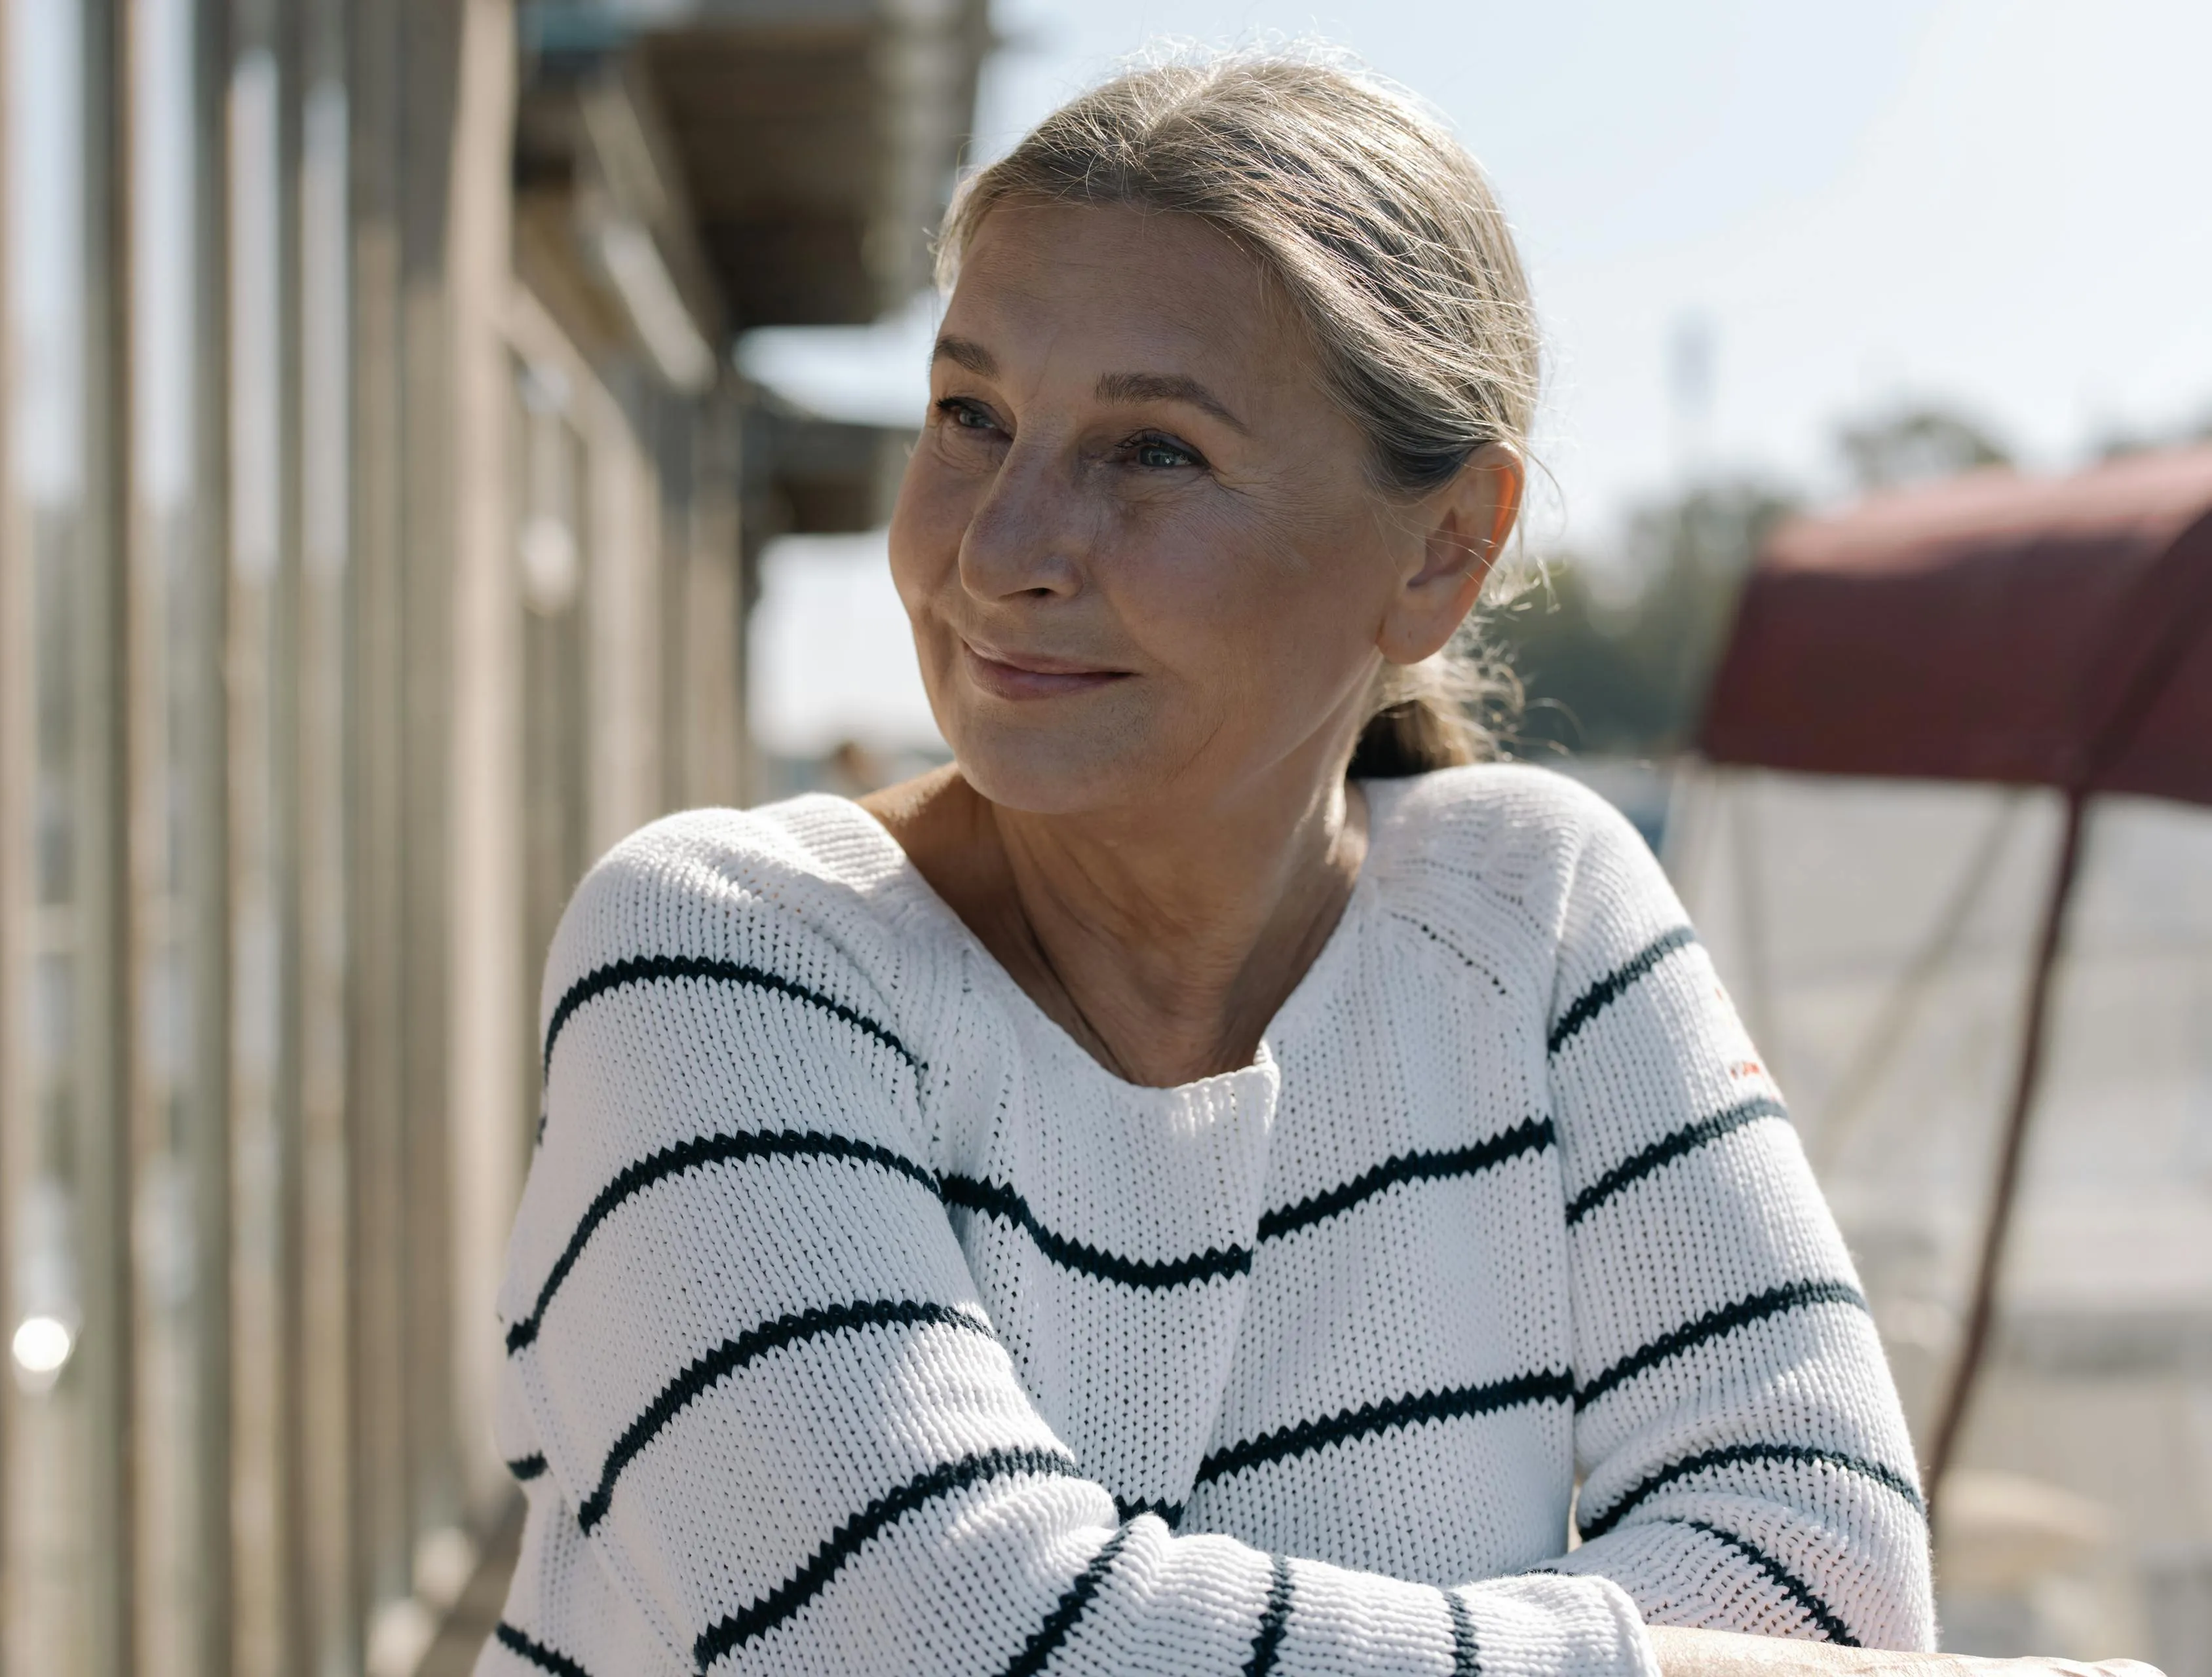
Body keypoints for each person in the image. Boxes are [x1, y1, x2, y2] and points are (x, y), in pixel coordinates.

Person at [478, 53, 2148, 1677]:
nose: (997, 548)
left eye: (1152, 451)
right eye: (971, 412)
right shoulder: (719, 952)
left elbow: (1829, 1582)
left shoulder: (1533, 912)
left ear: (1442, 552)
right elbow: (944, 1635)